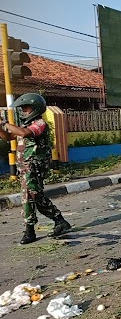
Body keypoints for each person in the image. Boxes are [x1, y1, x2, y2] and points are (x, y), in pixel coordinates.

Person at [0, 93, 71, 244]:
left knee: (28, 197)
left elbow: (25, 133)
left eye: (26, 108)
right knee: (36, 197)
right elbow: (8, 137)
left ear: (35, 108)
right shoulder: (24, 126)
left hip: (34, 167)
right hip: (26, 168)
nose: (24, 111)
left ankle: (29, 231)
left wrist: (4, 122)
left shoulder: (39, 124)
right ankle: (60, 221)